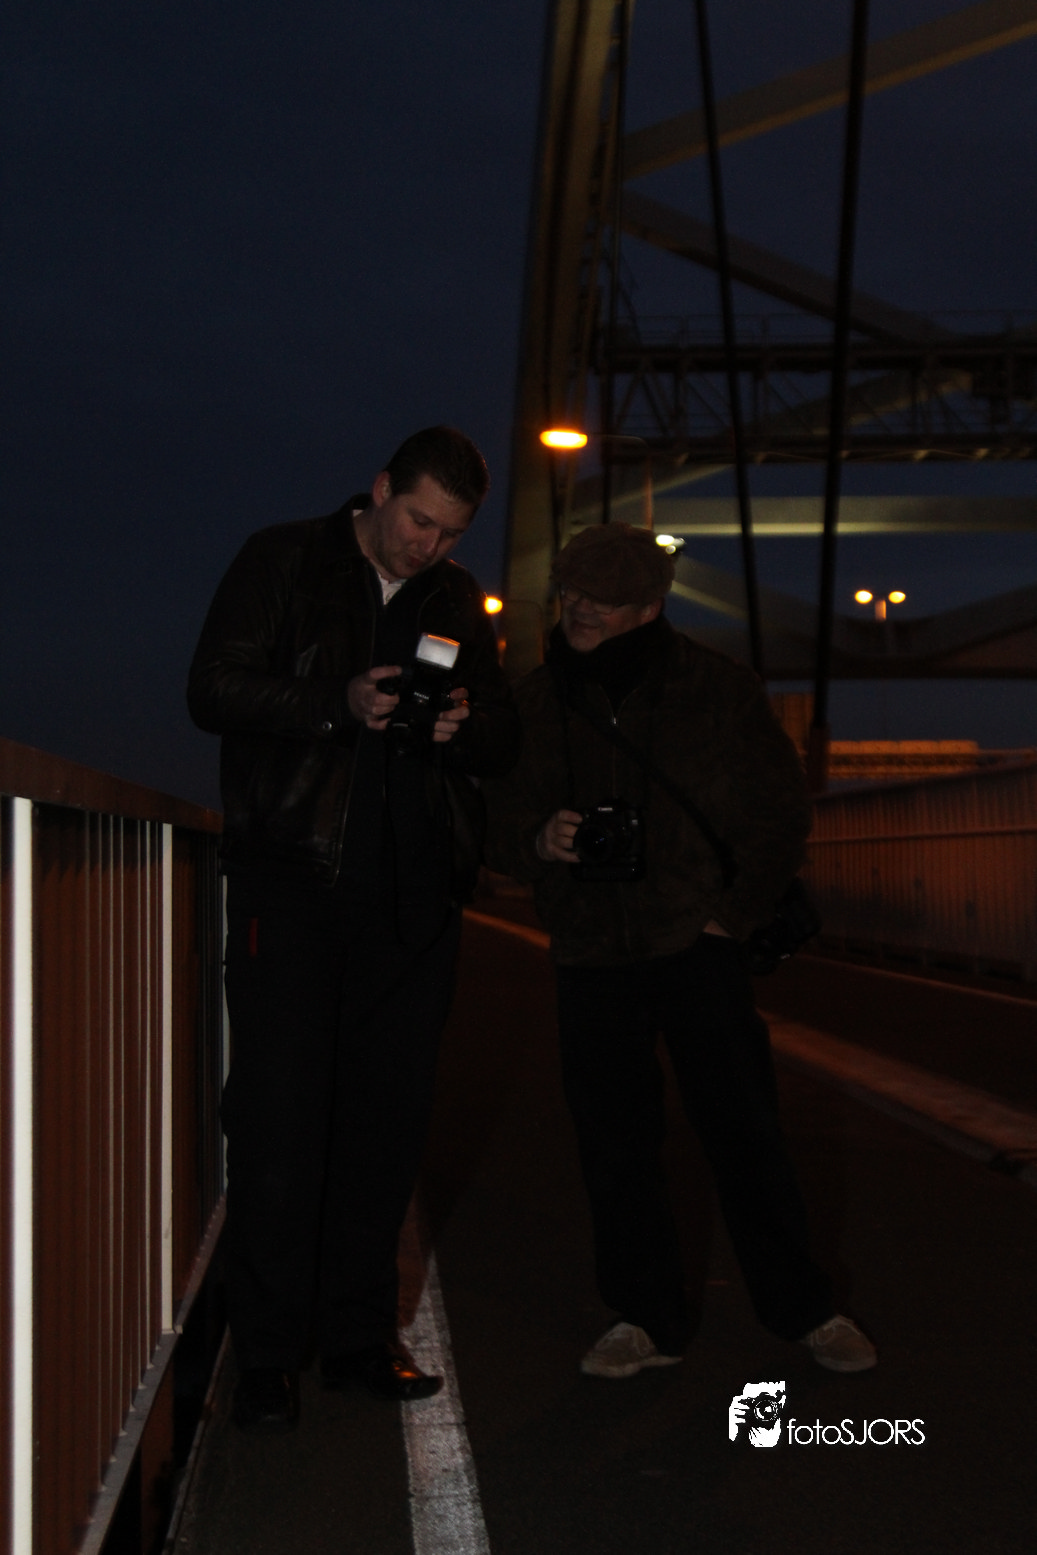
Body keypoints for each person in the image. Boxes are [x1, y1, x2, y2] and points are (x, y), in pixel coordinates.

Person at [483, 523, 876, 1379]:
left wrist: (731, 914)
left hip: (695, 942)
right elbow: (495, 821)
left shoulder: (716, 688)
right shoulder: (538, 700)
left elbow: (778, 809)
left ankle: (805, 1308)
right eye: (572, 592)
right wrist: (538, 841)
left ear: (649, 606)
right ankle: (643, 1318)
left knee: (745, 1133)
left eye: (604, 599)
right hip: (590, 947)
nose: (582, 609)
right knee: (614, 1146)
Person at [188, 425, 519, 1432]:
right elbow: (212, 688)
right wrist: (335, 703)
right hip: (293, 884)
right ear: (379, 489)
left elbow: (504, 734)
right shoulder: (283, 558)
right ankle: (266, 1355)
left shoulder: (454, 598)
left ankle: (359, 1340)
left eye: (450, 532)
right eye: (418, 520)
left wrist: (462, 725)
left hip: (412, 902)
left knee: (384, 1128)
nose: (429, 546)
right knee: (279, 1125)